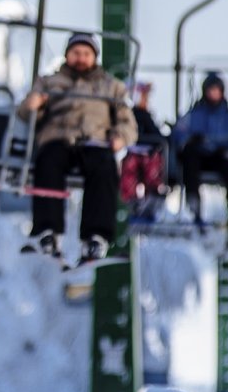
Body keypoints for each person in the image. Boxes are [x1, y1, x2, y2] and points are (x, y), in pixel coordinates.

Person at [16, 32, 137, 265]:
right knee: (48, 161)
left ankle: (96, 235)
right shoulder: (50, 82)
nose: (80, 58)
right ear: (67, 55)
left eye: (86, 54)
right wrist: (34, 105)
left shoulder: (111, 87)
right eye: (76, 53)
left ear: (94, 57)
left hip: (95, 141)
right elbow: (25, 113)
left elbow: (128, 123)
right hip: (58, 137)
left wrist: (119, 138)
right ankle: (48, 231)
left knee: (103, 167)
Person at [171, 72, 228, 248]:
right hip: (199, 156)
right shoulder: (195, 114)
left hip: (221, 157)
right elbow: (178, 133)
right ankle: (194, 207)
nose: (214, 94)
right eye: (210, 90)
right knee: (189, 157)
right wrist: (190, 140)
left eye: (217, 90)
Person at [120, 81, 167, 223]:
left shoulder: (146, 117)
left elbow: (157, 136)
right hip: (131, 153)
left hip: (148, 154)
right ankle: (133, 202)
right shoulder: (126, 116)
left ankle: (153, 196)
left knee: (151, 166)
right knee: (129, 168)